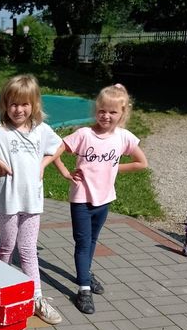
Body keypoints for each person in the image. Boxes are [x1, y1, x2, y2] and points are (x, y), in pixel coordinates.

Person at [0, 74, 65, 325]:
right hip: (7, 201)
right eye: (13, 104)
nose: (19, 110)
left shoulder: (41, 130)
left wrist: (43, 164)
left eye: (24, 104)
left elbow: (60, 146)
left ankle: (36, 299)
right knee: (8, 246)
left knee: (28, 250)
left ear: (34, 104)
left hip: (32, 201)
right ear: (5, 105)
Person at [55, 84, 148, 314]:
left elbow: (141, 162)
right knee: (83, 243)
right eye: (102, 111)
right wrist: (65, 172)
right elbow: (55, 150)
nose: (106, 116)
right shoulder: (84, 135)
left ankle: (85, 274)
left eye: (112, 112)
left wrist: (112, 168)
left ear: (122, 113)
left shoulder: (124, 137)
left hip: (104, 199)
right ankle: (84, 290)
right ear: (96, 110)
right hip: (82, 199)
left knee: (93, 240)